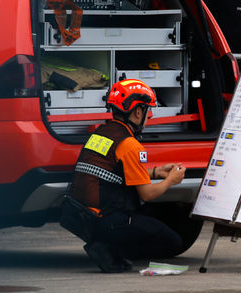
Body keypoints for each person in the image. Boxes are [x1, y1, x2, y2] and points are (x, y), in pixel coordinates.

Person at [61, 79, 202, 272]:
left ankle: (110, 243)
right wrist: (171, 181)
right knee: (174, 242)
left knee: (152, 218)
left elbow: (115, 172)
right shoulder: (130, 144)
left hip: (81, 216)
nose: (149, 116)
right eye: (147, 110)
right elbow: (147, 195)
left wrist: (155, 172)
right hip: (106, 219)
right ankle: (110, 249)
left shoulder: (102, 132)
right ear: (137, 112)